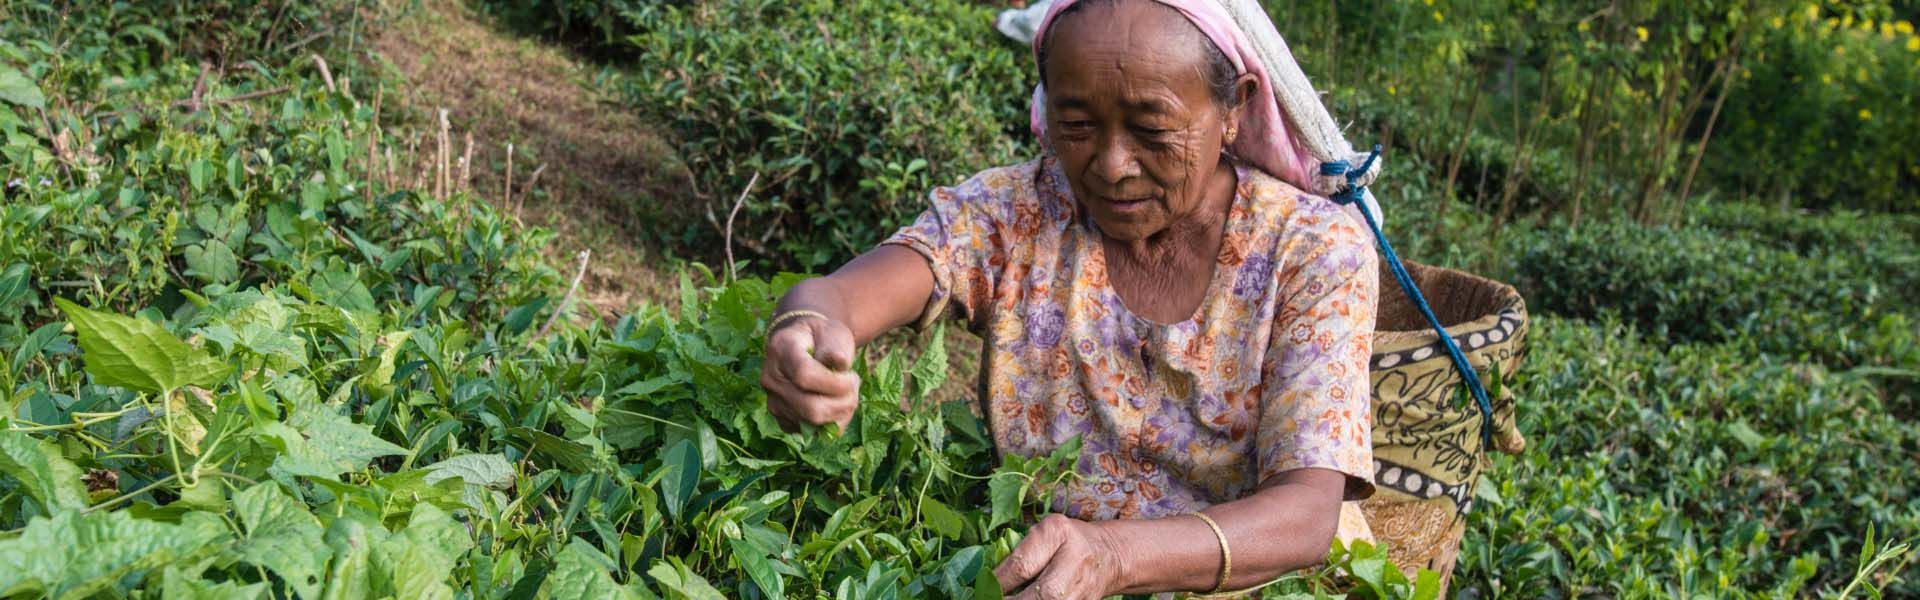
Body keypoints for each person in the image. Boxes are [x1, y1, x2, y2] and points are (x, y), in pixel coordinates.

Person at [758, 0, 1379, 595]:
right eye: (1077, 125)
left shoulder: (1312, 250)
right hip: (1043, 574)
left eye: (1152, 129)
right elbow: (848, 294)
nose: (1110, 165)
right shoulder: (1016, 213)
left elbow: (1305, 514)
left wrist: (1118, 557)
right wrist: (809, 325)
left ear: (1233, 107)